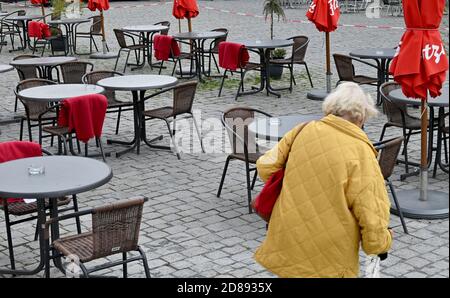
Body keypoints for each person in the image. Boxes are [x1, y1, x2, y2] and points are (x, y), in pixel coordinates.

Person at [254, 82, 393, 278]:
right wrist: (379, 244)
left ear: (331, 108)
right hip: (331, 251)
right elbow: (371, 208)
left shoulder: (302, 130)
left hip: (289, 235)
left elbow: (265, 167)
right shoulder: (361, 151)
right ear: (361, 117)